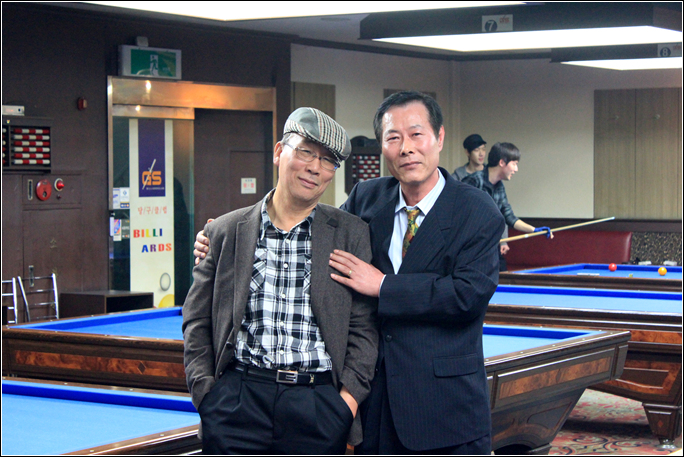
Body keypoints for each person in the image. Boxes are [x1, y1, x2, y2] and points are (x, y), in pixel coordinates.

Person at [195, 92, 505, 454]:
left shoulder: (477, 209)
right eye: (393, 137)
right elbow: (308, 226)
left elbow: (467, 296)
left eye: (416, 134)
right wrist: (222, 237)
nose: (406, 148)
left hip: (444, 406)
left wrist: (383, 286)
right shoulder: (367, 197)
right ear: (383, 147)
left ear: (439, 137)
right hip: (374, 407)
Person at [182, 107, 378, 454]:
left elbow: (364, 328)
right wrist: (206, 396)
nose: (315, 167)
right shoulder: (225, 231)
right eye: (306, 152)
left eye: (328, 161)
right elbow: (196, 319)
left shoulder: (351, 234)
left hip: (318, 406)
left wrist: (345, 405)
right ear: (278, 152)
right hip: (237, 401)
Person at [462, 142, 552, 271]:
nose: (516, 169)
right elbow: (461, 216)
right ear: (502, 162)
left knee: (503, 273)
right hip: (470, 251)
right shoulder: (473, 181)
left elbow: (508, 216)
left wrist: (534, 230)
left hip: (489, 248)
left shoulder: (499, 186)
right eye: (514, 164)